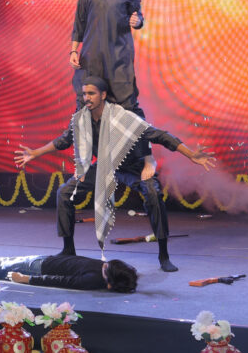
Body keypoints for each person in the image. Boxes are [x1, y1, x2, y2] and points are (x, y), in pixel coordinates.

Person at [15, 76, 215, 272]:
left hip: (132, 166)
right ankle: (68, 250)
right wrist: (36, 153)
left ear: (103, 95)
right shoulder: (82, 119)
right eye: (84, 94)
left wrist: (191, 154)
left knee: (153, 194)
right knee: (65, 192)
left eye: (91, 93)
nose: (87, 98)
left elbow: (160, 135)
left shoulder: (122, 117)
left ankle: (164, 255)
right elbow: (64, 139)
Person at [70, 0, 145, 117]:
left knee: (124, 103)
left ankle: (129, 135)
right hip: (92, 56)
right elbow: (80, 21)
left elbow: (138, 16)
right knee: (87, 101)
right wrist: (73, 50)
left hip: (118, 56)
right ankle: (89, 135)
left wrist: (137, 21)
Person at [0, 239, 138, 293]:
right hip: (43, 260)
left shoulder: (93, 279)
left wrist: (26, 279)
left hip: (37, 269)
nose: (104, 266)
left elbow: (60, 280)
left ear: (109, 284)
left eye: (107, 269)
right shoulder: (106, 270)